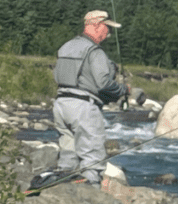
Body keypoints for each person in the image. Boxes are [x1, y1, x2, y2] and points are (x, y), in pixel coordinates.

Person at [51, 10, 129, 185]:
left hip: (61, 104)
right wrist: (123, 89)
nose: (108, 33)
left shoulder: (65, 47)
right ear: (96, 25)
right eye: (107, 28)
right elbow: (103, 84)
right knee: (93, 159)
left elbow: (59, 75)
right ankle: (91, 192)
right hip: (83, 107)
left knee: (68, 156)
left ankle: (66, 188)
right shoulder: (94, 51)